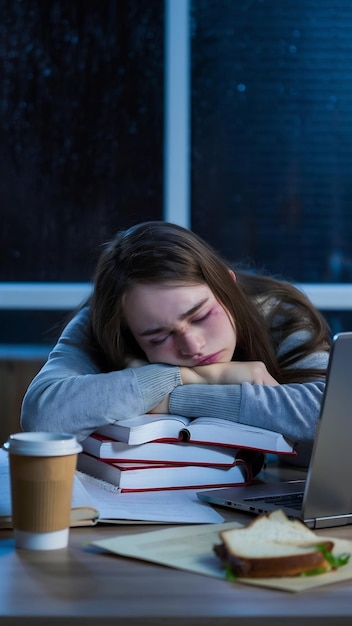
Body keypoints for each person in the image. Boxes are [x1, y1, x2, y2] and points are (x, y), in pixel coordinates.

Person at [21, 221, 331, 466]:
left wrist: (175, 398)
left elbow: (331, 416)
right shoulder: (103, 325)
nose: (192, 345)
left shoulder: (278, 314)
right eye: (160, 337)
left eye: (201, 315)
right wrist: (189, 375)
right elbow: (44, 418)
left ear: (228, 287)